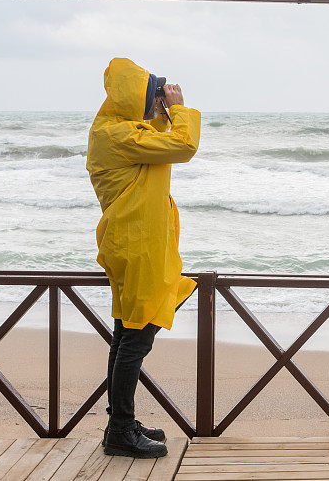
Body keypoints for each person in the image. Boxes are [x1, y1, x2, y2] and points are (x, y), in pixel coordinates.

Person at [86, 57, 201, 458]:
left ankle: (121, 422)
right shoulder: (119, 135)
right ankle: (120, 430)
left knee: (125, 336)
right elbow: (183, 146)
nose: (157, 100)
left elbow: (151, 136)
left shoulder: (115, 130)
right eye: (151, 93)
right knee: (135, 340)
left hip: (133, 246)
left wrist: (161, 112)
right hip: (137, 248)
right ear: (134, 99)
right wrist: (180, 108)